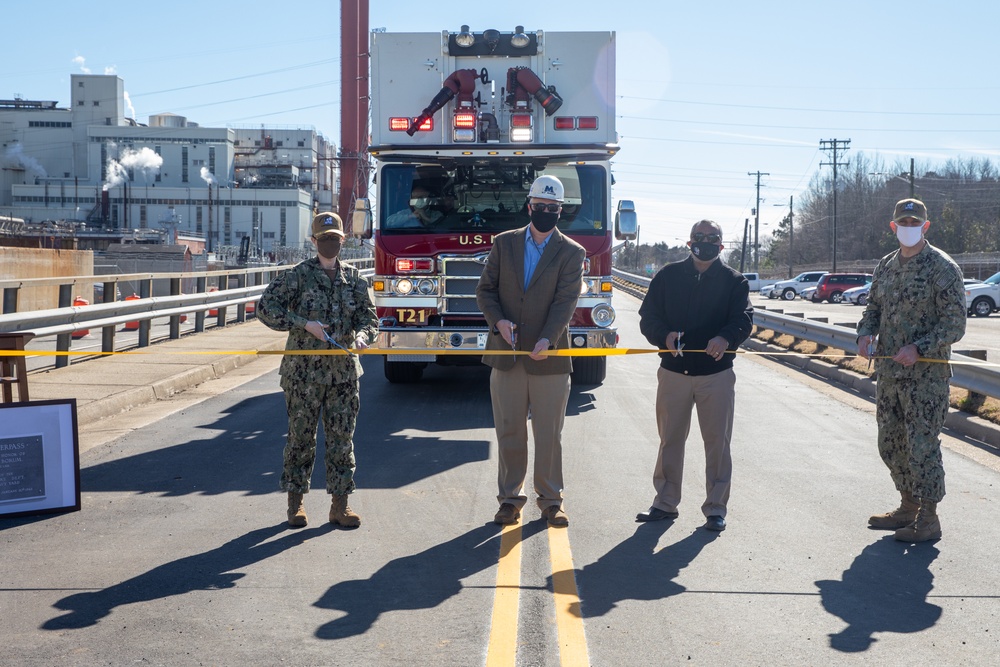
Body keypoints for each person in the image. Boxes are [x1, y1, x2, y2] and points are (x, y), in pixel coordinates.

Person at [476, 175, 586, 527]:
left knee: (549, 434)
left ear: (560, 211)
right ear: (529, 207)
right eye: (540, 207)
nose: (545, 213)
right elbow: (486, 291)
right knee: (509, 430)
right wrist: (498, 323)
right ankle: (509, 500)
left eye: (552, 209)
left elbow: (565, 301)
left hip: (548, 358)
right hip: (507, 356)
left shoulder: (572, 252)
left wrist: (548, 339)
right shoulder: (504, 244)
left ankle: (552, 501)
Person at [257, 211, 378, 528]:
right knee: (300, 441)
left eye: (335, 240)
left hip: (343, 376)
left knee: (342, 442)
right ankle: (295, 505)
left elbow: (370, 319)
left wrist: (364, 337)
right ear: (313, 241)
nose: (330, 245)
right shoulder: (296, 276)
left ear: (343, 241)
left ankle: (340, 506)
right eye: (324, 240)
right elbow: (265, 308)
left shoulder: (354, 279)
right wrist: (303, 324)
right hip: (303, 376)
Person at [857, 198, 966, 543]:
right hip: (890, 376)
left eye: (914, 222)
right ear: (893, 227)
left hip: (926, 380)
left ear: (925, 226)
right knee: (890, 444)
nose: (908, 227)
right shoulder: (886, 266)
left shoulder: (942, 268)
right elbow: (873, 306)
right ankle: (908, 505)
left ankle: (929, 518)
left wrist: (919, 347)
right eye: (902, 222)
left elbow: (955, 323)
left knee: (922, 447)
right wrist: (864, 333)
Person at [636, 220, 753, 532]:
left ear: (722, 245)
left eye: (712, 237)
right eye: (699, 237)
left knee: (717, 442)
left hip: (716, 376)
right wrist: (665, 336)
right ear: (689, 243)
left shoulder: (734, 281)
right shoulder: (667, 276)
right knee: (670, 440)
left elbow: (744, 320)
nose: (705, 242)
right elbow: (648, 318)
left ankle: (715, 508)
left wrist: (726, 338)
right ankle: (664, 502)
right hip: (673, 372)